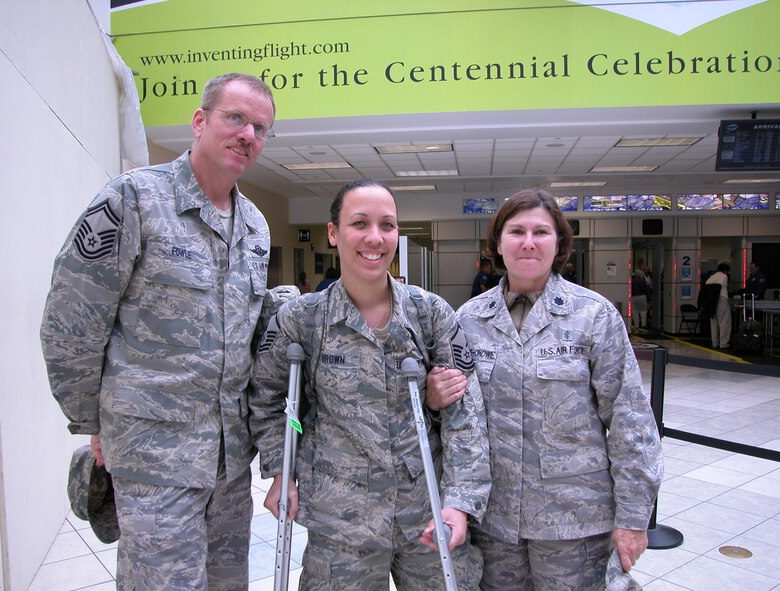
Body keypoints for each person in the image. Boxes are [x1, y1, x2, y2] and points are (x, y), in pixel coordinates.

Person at [41, 73, 296, 590]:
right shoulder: (134, 199)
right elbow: (71, 323)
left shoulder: (254, 225)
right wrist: (94, 421)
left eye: (261, 128)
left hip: (228, 467)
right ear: (200, 121)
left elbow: (244, 338)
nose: (248, 134)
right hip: (152, 458)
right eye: (236, 118)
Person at [250, 179, 491, 590]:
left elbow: (465, 418)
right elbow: (270, 400)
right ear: (333, 233)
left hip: (425, 512)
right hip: (340, 519)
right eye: (359, 223)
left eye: (388, 225)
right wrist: (280, 471)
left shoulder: (430, 314)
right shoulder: (301, 319)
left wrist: (460, 503)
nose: (375, 238)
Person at [427, 189, 663, 590]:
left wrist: (634, 519)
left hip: (574, 523)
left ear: (559, 244)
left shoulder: (593, 315)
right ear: (498, 244)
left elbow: (631, 423)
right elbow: (457, 421)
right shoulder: (468, 320)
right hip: (495, 521)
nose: (528, 242)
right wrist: (434, 400)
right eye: (516, 231)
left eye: (541, 232)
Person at [705, 262, 732, 349]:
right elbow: (720, 285)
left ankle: (714, 343)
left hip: (711, 302)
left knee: (714, 323)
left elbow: (706, 285)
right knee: (724, 322)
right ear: (725, 270)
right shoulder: (724, 276)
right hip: (721, 300)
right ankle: (724, 343)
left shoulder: (712, 277)